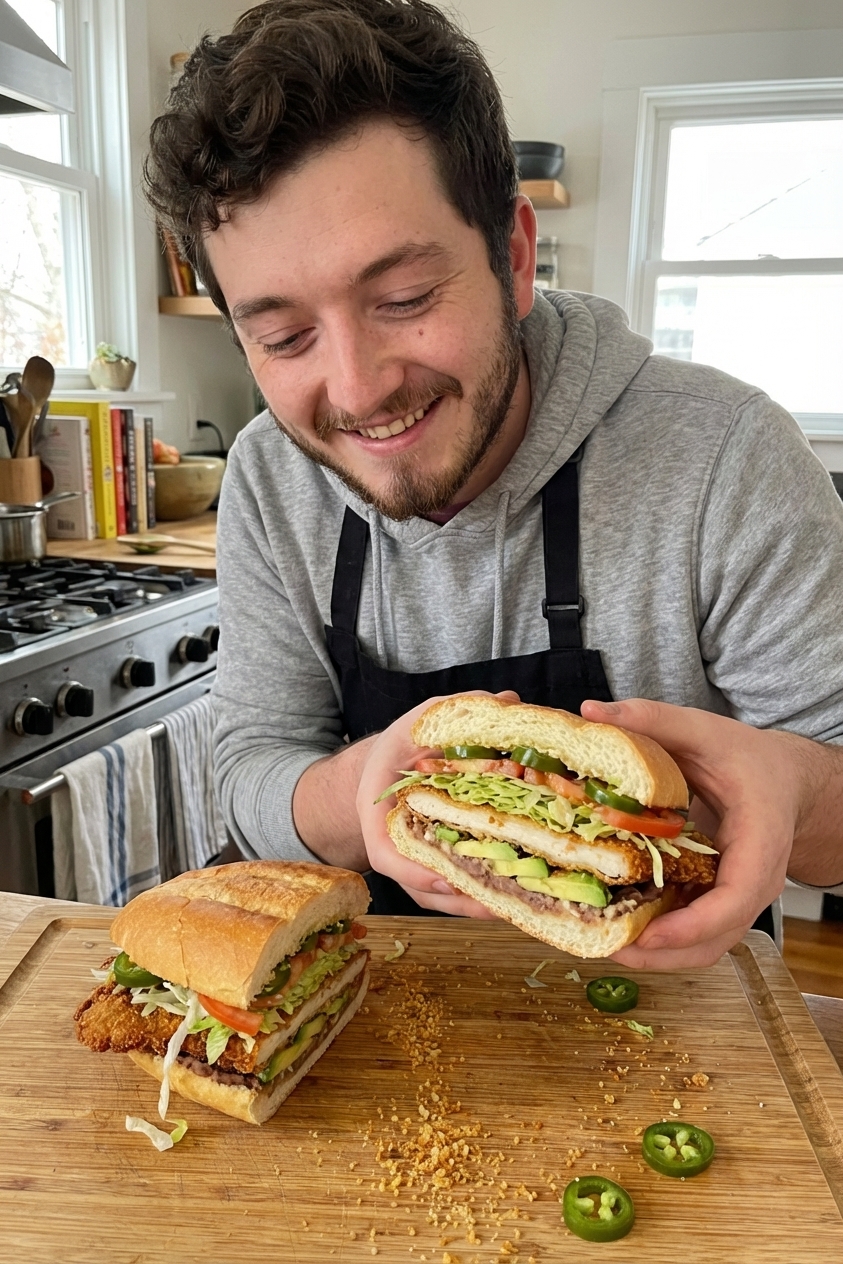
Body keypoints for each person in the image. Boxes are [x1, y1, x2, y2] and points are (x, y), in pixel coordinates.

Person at [145, 0, 843, 968]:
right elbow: (250, 768)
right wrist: (366, 792)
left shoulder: (727, 456)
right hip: (379, 1016)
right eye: (284, 336)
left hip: (688, 1033)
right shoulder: (271, 474)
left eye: (404, 299)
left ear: (514, 256)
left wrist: (798, 794)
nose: (358, 388)